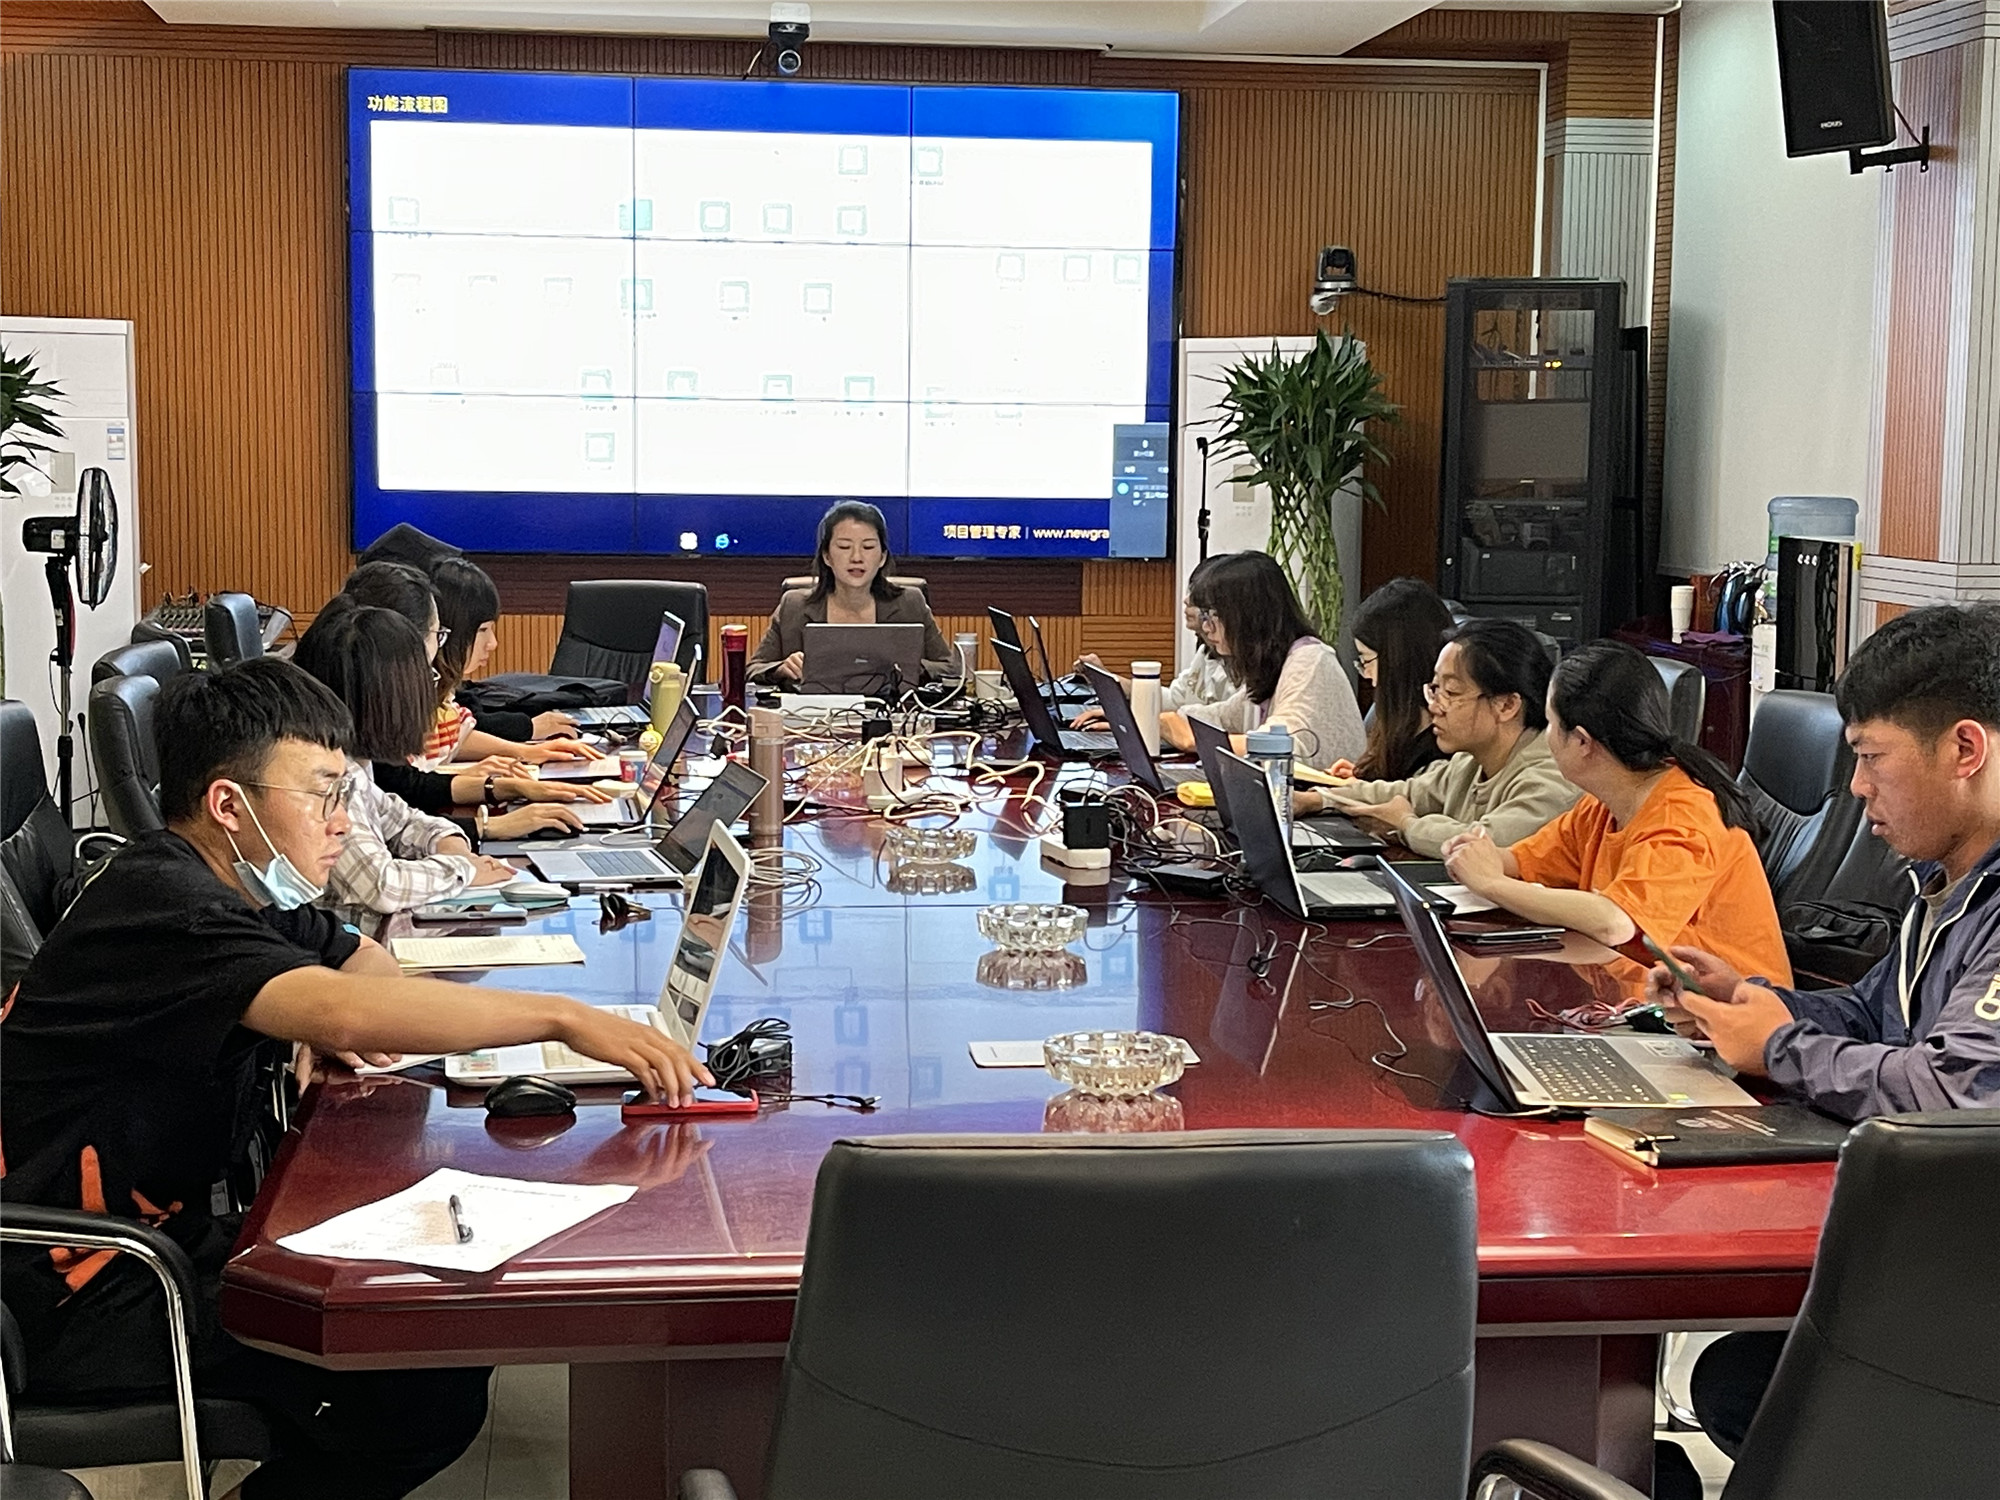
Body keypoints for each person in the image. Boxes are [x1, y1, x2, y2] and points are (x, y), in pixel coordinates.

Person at [0, 657, 708, 1500]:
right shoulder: (166, 907)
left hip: (165, 1236)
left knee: (435, 1324)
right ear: (229, 805)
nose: (343, 821)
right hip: (85, 1287)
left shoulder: (226, 885)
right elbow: (346, 1011)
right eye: (323, 795)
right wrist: (562, 1018)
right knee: (416, 1383)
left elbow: (360, 962)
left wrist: (324, 1013)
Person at [1649, 603, 2000, 1493]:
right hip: (1938, 1251)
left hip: (1972, 1289)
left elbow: (1958, 1094)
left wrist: (1777, 1049)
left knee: (1753, 1390)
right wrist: (1755, 1005)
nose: (1855, 789)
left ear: (1965, 749)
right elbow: (1879, 1016)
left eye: (1872, 758)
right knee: (1739, 1380)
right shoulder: (1947, 885)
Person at [1441, 639, 1791, 985]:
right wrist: (1476, 855)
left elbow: (1616, 923)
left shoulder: (1685, 816)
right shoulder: (1604, 804)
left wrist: (1492, 883)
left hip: (1726, 1012)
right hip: (1645, 1001)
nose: (1546, 737)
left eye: (1550, 723)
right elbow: (1526, 862)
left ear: (1582, 741)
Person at [293, 606, 523, 932]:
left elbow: (403, 820)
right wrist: (462, 870)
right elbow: (382, 886)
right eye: (424, 680)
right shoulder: (330, 776)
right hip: (352, 948)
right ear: (389, 696)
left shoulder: (356, 765)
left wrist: (450, 843)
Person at [318, 587, 603, 829]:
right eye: (438, 633)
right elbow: (384, 868)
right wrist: (486, 825)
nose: (493, 644)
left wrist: (502, 786)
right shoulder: (342, 773)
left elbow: (401, 823)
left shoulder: (359, 763)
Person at [1299, 618, 1579, 858]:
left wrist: (1406, 825)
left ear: (1506, 705)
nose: (1434, 706)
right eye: (1435, 689)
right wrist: (1316, 800)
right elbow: (1406, 792)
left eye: (1452, 692)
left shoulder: (1553, 777)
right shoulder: (1468, 763)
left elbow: (1485, 843)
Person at [1159, 550, 1365, 772]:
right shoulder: (1271, 665)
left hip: (1327, 793)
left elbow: (1286, 747)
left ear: (1246, 615)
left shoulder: (1311, 660)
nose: (1206, 628)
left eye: (1211, 616)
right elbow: (1224, 717)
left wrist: (1194, 739)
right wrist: (1166, 721)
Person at [747, 501, 952, 686]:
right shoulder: (794, 607)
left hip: (893, 712)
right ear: (827, 556)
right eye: (844, 547)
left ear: (882, 557)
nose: (856, 557)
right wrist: (781, 668)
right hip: (811, 714)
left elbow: (952, 669)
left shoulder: (910, 604)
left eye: (868, 547)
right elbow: (753, 670)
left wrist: (911, 667)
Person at [421, 556, 598, 766]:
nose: (493, 643)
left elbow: (456, 737)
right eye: (483, 630)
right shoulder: (414, 693)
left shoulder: (444, 694)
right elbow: (411, 777)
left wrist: (525, 752)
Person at [1072, 555, 1234, 727]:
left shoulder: (1241, 667)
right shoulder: (1206, 652)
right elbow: (1174, 701)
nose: (1186, 600)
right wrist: (1106, 679)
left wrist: (1134, 723)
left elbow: (1215, 724)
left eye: (1197, 598)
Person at [1342, 577, 1455, 781]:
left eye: (1366, 660)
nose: (1367, 675)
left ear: (1397, 661)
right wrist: (1362, 777)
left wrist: (1364, 790)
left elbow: (1414, 793)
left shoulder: (1444, 739)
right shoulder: (1401, 720)